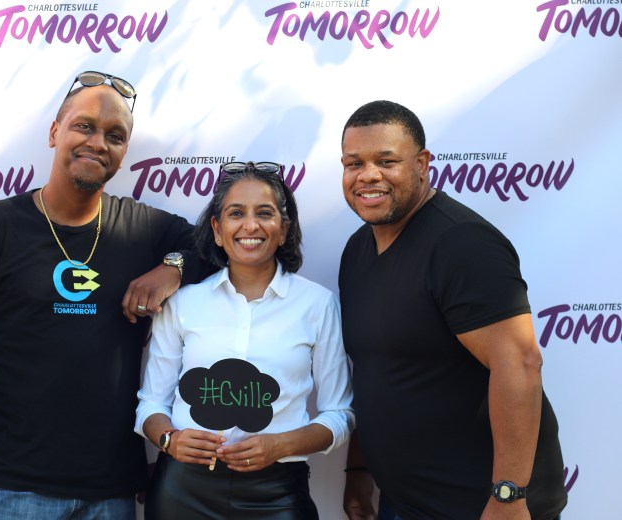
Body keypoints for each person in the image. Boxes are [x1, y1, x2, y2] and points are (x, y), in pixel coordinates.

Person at [0, 71, 212, 520]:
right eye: (84, 126)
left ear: (123, 154)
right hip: (11, 486)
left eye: (115, 135)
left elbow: (217, 244)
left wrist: (172, 269)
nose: (98, 142)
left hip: (111, 491)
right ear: (54, 133)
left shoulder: (144, 229)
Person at [338, 100, 568, 520]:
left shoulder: (461, 243)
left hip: (480, 507)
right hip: (404, 500)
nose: (368, 175)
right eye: (354, 163)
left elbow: (518, 362)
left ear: (422, 163)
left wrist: (508, 495)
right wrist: (358, 472)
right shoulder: (358, 249)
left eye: (386, 161)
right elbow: (375, 373)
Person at [135, 161, 355, 519]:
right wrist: (169, 440)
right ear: (218, 230)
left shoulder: (317, 304)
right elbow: (150, 404)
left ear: (283, 229)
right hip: (183, 492)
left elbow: (339, 415)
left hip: (278, 492)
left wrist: (279, 445)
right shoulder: (182, 302)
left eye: (264, 213)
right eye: (236, 213)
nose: (250, 225)